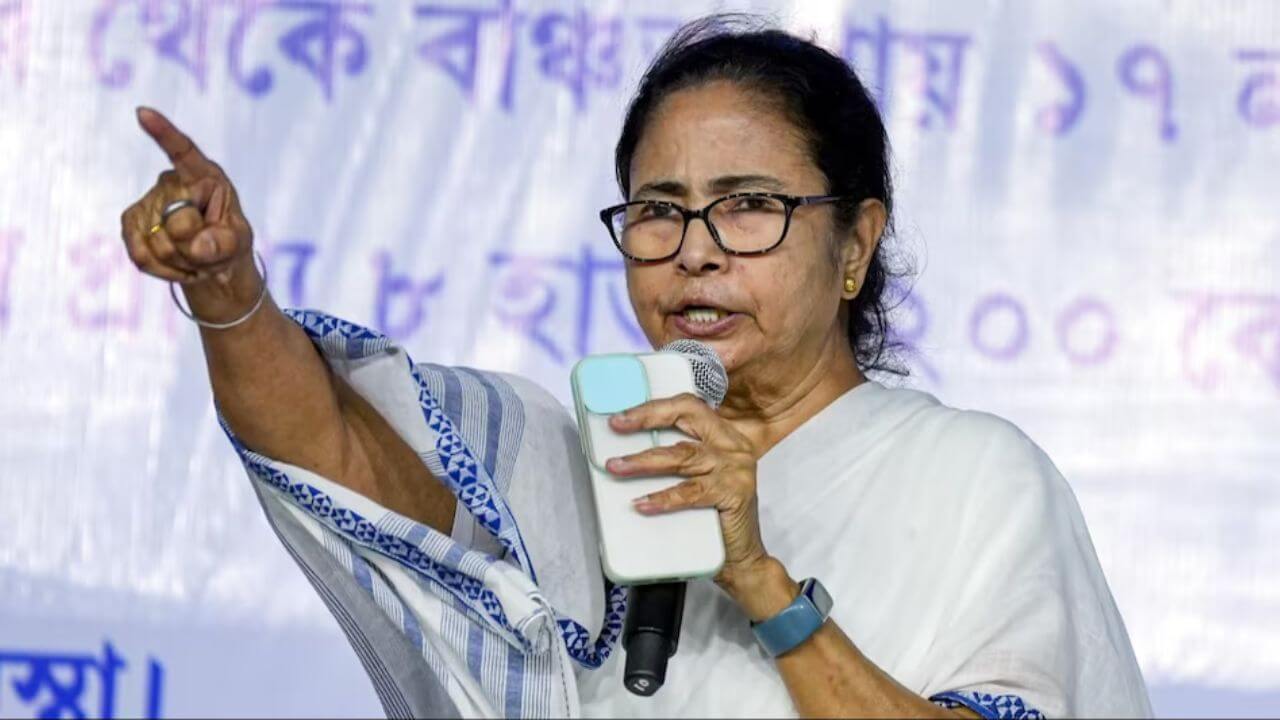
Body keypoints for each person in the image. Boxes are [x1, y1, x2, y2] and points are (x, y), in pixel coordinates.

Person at [118, 15, 1152, 719]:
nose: (694, 251)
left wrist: (761, 584)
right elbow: (330, 449)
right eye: (659, 211)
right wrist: (227, 290)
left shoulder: (975, 479)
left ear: (855, 243)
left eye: (748, 206)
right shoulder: (576, 462)